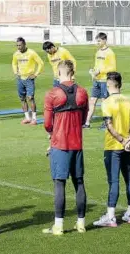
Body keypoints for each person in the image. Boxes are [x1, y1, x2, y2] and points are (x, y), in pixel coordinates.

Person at [42, 60, 89, 235]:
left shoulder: (52, 94)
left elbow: (47, 124)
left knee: (59, 183)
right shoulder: (83, 92)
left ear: (58, 73)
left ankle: (59, 225)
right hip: (77, 144)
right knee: (79, 182)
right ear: (73, 72)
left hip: (59, 144)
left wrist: (53, 132)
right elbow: (84, 120)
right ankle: (81, 223)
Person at [92, 72, 130, 227]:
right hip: (127, 147)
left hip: (113, 147)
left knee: (114, 181)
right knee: (129, 178)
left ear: (108, 85)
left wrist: (121, 140)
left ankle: (111, 216)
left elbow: (109, 125)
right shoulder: (128, 100)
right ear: (120, 84)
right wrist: (129, 140)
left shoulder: (106, 102)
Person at [84, 32, 116, 128]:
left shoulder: (110, 53)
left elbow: (113, 68)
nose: (97, 43)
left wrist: (100, 71)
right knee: (92, 101)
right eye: (96, 41)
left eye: (99, 41)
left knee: (104, 102)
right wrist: (93, 71)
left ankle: (107, 122)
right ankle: (87, 123)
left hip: (104, 81)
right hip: (97, 81)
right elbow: (97, 65)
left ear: (104, 40)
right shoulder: (98, 52)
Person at [12, 37, 44, 124]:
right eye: (17, 45)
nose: (19, 47)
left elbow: (40, 63)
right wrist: (16, 72)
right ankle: (27, 118)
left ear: (25, 44)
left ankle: (34, 119)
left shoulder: (31, 53)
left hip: (29, 79)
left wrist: (36, 74)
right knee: (22, 98)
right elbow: (14, 63)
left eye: (20, 45)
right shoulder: (16, 54)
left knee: (30, 98)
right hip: (20, 79)